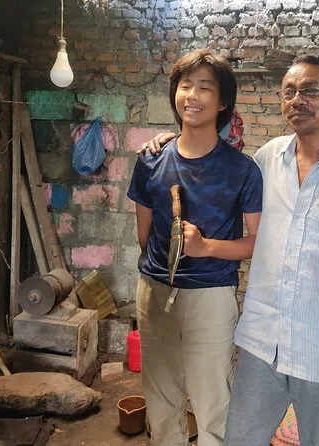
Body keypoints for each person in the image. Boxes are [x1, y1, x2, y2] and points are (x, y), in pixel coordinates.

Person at [141, 54, 319, 445]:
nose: (297, 100)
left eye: (311, 90)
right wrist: (171, 138)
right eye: (289, 92)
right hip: (262, 340)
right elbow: (210, 155)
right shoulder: (268, 158)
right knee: (239, 437)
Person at [127, 48, 263, 446]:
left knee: (213, 406)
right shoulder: (150, 160)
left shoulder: (242, 170)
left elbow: (257, 243)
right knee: (161, 404)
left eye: (205, 87)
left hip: (211, 297)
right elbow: (144, 234)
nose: (193, 95)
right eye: (185, 85)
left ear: (222, 102)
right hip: (154, 292)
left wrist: (206, 248)